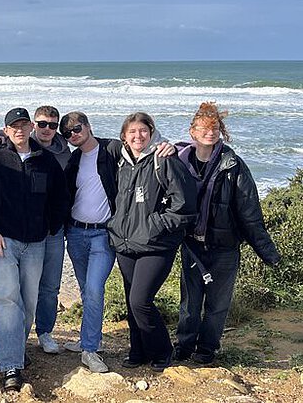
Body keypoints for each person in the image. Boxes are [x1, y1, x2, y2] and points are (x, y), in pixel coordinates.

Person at [60, 111, 175, 373]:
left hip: (103, 234)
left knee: (94, 289)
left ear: (88, 126)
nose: (73, 135)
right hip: (76, 233)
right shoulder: (74, 159)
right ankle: (89, 338)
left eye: (77, 128)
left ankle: (90, 349)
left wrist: (167, 145)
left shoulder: (111, 149)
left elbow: (141, 146)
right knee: (86, 291)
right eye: (67, 133)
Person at [174, 102, 281, 365]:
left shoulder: (233, 165)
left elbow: (249, 212)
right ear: (192, 131)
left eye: (215, 128)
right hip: (192, 246)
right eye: (204, 128)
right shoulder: (179, 162)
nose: (210, 132)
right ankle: (184, 346)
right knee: (189, 304)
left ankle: (206, 349)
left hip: (225, 247)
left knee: (217, 305)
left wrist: (268, 253)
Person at [0, 108, 69, 391]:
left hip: (36, 243)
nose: (19, 130)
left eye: (24, 125)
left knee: (28, 302)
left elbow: (61, 197)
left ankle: (16, 348)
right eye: (14, 126)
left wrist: (49, 226)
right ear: (6, 130)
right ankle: (10, 366)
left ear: (30, 128)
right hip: (3, 242)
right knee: (4, 300)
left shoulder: (45, 161)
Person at [107, 113, 197, 372]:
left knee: (140, 301)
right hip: (125, 243)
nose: (138, 136)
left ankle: (162, 351)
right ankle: (138, 351)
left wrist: (156, 225)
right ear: (124, 137)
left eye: (143, 131)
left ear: (151, 132)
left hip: (156, 245)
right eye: (132, 132)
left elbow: (184, 205)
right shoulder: (121, 162)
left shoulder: (163, 159)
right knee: (131, 301)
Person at [30, 105, 71, 354]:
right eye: (42, 123)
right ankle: (21, 330)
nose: (47, 129)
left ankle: (44, 331)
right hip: (27, 229)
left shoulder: (66, 153)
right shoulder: (21, 145)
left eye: (52, 125)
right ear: (33, 124)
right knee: (26, 284)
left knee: (50, 285)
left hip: (54, 230)